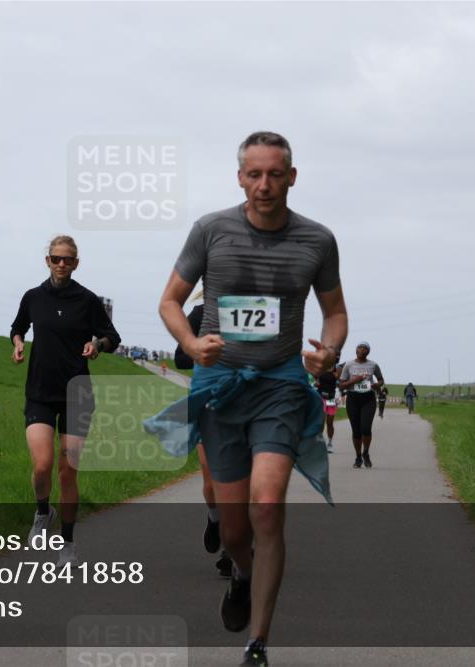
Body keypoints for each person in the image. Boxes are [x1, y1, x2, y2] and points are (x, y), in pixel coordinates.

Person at [158, 131, 347, 667]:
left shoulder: (318, 240)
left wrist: (328, 351)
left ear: (291, 176)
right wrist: (192, 343)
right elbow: (170, 301)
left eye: (275, 174)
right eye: (254, 174)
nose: (264, 185)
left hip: (281, 384)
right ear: (240, 177)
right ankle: (241, 571)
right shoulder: (211, 230)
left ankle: (257, 644)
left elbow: (335, 312)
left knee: (268, 506)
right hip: (220, 386)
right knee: (234, 526)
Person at [10, 235, 121, 567]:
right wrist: (17, 343)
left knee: (67, 473)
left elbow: (112, 337)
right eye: (56, 258)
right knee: (42, 465)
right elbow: (18, 326)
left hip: (77, 394)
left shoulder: (87, 300)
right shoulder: (33, 297)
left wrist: (97, 346)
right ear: (47, 260)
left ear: (76, 263)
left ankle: (68, 544)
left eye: (67, 260)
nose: (61, 264)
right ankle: (43, 511)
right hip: (40, 392)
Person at [174, 301, 233, 578]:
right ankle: (214, 517)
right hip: (209, 403)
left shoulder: (260, 312)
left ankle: (234, 550)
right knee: (212, 482)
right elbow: (180, 358)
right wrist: (206, 350)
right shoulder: (201, 313)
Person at [339, 342, 385, 469]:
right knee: (356, 431)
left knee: (365, 428)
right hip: (353, 398)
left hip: (368, 398)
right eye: (360, 348)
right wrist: (354, 380)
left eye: (365, 348)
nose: (362, 350)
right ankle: (358, 456)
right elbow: (341, 385)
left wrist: (377, 385)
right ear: (356, 350)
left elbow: (381, 380)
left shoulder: (373, 365)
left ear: (368, 352)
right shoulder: (348, 365)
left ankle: (366, 453)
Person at [316, 357, 341, 452]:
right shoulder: (321, 368)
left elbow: (340, 382)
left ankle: (330, 443)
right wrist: (317, 382)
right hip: (320, 397)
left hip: (331, 398)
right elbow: (316, 380)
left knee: (330, 422)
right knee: (321, 421)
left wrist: (338, 380)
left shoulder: (337, 369)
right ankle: (320, 443)